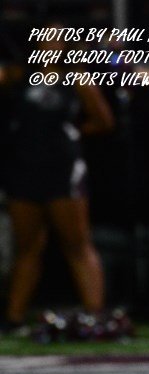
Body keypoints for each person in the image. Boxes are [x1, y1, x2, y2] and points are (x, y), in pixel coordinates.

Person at [1, 29, 114, 335]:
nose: (51, 43)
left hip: (62, 169)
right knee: (27, 246)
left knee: (77, 242)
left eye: (57, 38)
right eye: (46, 38)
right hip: (24, 168)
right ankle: (13, 317)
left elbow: (104, 120)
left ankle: (96, 314)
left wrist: (69, 136)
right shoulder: (19, 75)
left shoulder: (76, 79)